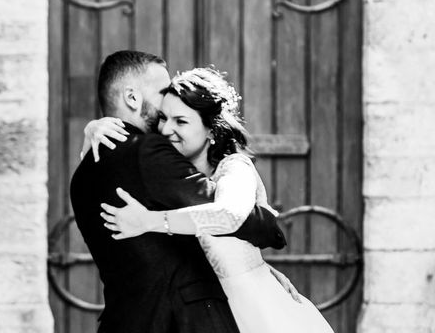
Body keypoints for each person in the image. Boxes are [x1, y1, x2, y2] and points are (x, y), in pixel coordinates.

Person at [89, 66, 335, 333]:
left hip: (253, 308)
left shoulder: (235, 167)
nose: (166, 129)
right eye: (163, 118)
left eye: (181, 121)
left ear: (211, 130)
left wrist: (150, 221)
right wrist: (94, 126)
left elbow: (229, 215)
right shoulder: (172, 173)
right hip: (207, 311)